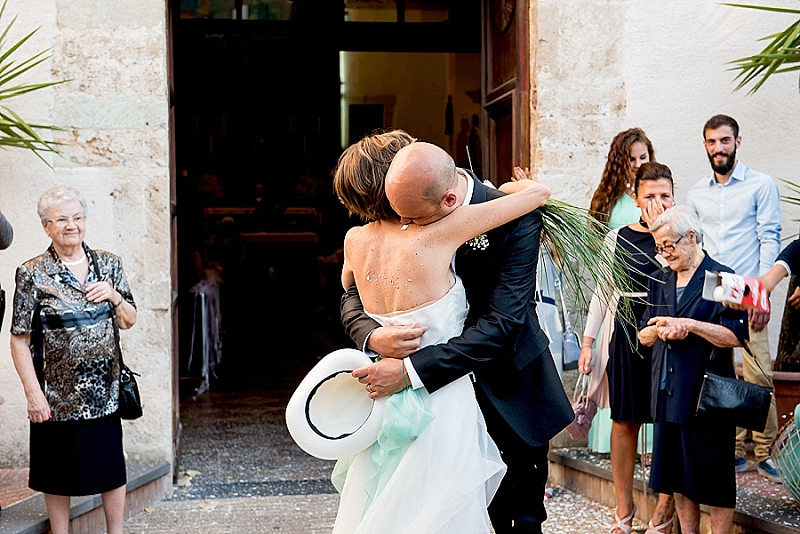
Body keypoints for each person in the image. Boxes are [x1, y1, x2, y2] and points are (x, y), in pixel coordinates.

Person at [341, 139, 574, 533]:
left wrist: (409, 371)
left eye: (411, 217)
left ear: (447, 199)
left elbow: (502, 324)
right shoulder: (396, 219)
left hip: (508, 388)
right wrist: (371, 337)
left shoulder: (509, 214)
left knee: (521, 520)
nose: (405, 223)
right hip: (431, 406)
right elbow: (351, 297)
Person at [9, 186, 137, 534]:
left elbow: (129, 318)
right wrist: (33, 394)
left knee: (112, 469)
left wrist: (113, 296)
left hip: (104, 391)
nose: (71, 225)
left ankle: (116, 532)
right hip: (56, 394)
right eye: (62, 219)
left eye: (77, 218)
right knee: (57, 473)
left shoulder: (109, 264)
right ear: (45, 226)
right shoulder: (31, 273)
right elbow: (19, 340)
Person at [578, 162, 676, 534]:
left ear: (674, 194)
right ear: (635, 199)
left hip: (669, 330)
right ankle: (623, 510)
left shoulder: (682, 233)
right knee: (624, 421)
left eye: (665, 195)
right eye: (649, 195)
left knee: (669, 422)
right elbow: (602, 292)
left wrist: (662, 232)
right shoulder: (617, 237)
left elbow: (683, 273)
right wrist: (588, 343)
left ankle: (664, 509)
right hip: (626, 331)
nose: (658, 202)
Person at [638, 206, 748, 534]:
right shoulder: (659, 279)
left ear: (690, 237)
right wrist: (660, 329)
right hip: (669, 392)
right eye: (659, 247)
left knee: (716, 481)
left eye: (668, 245)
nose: (664, 253)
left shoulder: (721, 277)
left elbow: (735, 337)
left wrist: (691, 325)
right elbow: (643, 335)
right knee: (679, 479)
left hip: (708, 396)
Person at [686, 114, 782, 483]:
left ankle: (767, 452)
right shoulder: (696, 193)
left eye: (724, 141)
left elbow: (770, 239)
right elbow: (699, 248)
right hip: (713, 292)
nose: (718, 148)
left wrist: (762, 295)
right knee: (721, 372)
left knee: (758, 372)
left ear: (737, 142)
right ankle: (736, 450)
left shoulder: (761, 185)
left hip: (749, 291)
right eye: (711, 142)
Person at [586, 127, 656, 458]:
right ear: (619, 162)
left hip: (652, 300)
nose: (639, 164)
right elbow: (598, 256)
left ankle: (652, 448)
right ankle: (610, 443)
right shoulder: (608, 201)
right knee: (614, 374)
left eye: (644, 157)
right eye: (632, 159)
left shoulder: (657, 199)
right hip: (619, 300)